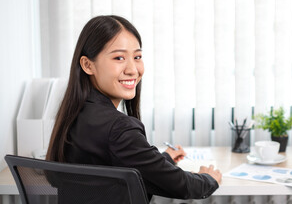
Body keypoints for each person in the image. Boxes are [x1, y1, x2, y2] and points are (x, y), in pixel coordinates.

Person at [46, 15, 222, 202]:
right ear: (88, 65)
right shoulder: (119, 128)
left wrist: (164, 160)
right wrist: (209, 179)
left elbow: (118, 166)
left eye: (137, 57)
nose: (132, 69)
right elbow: (183, 186)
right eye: (119, 57)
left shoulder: (75, 114)